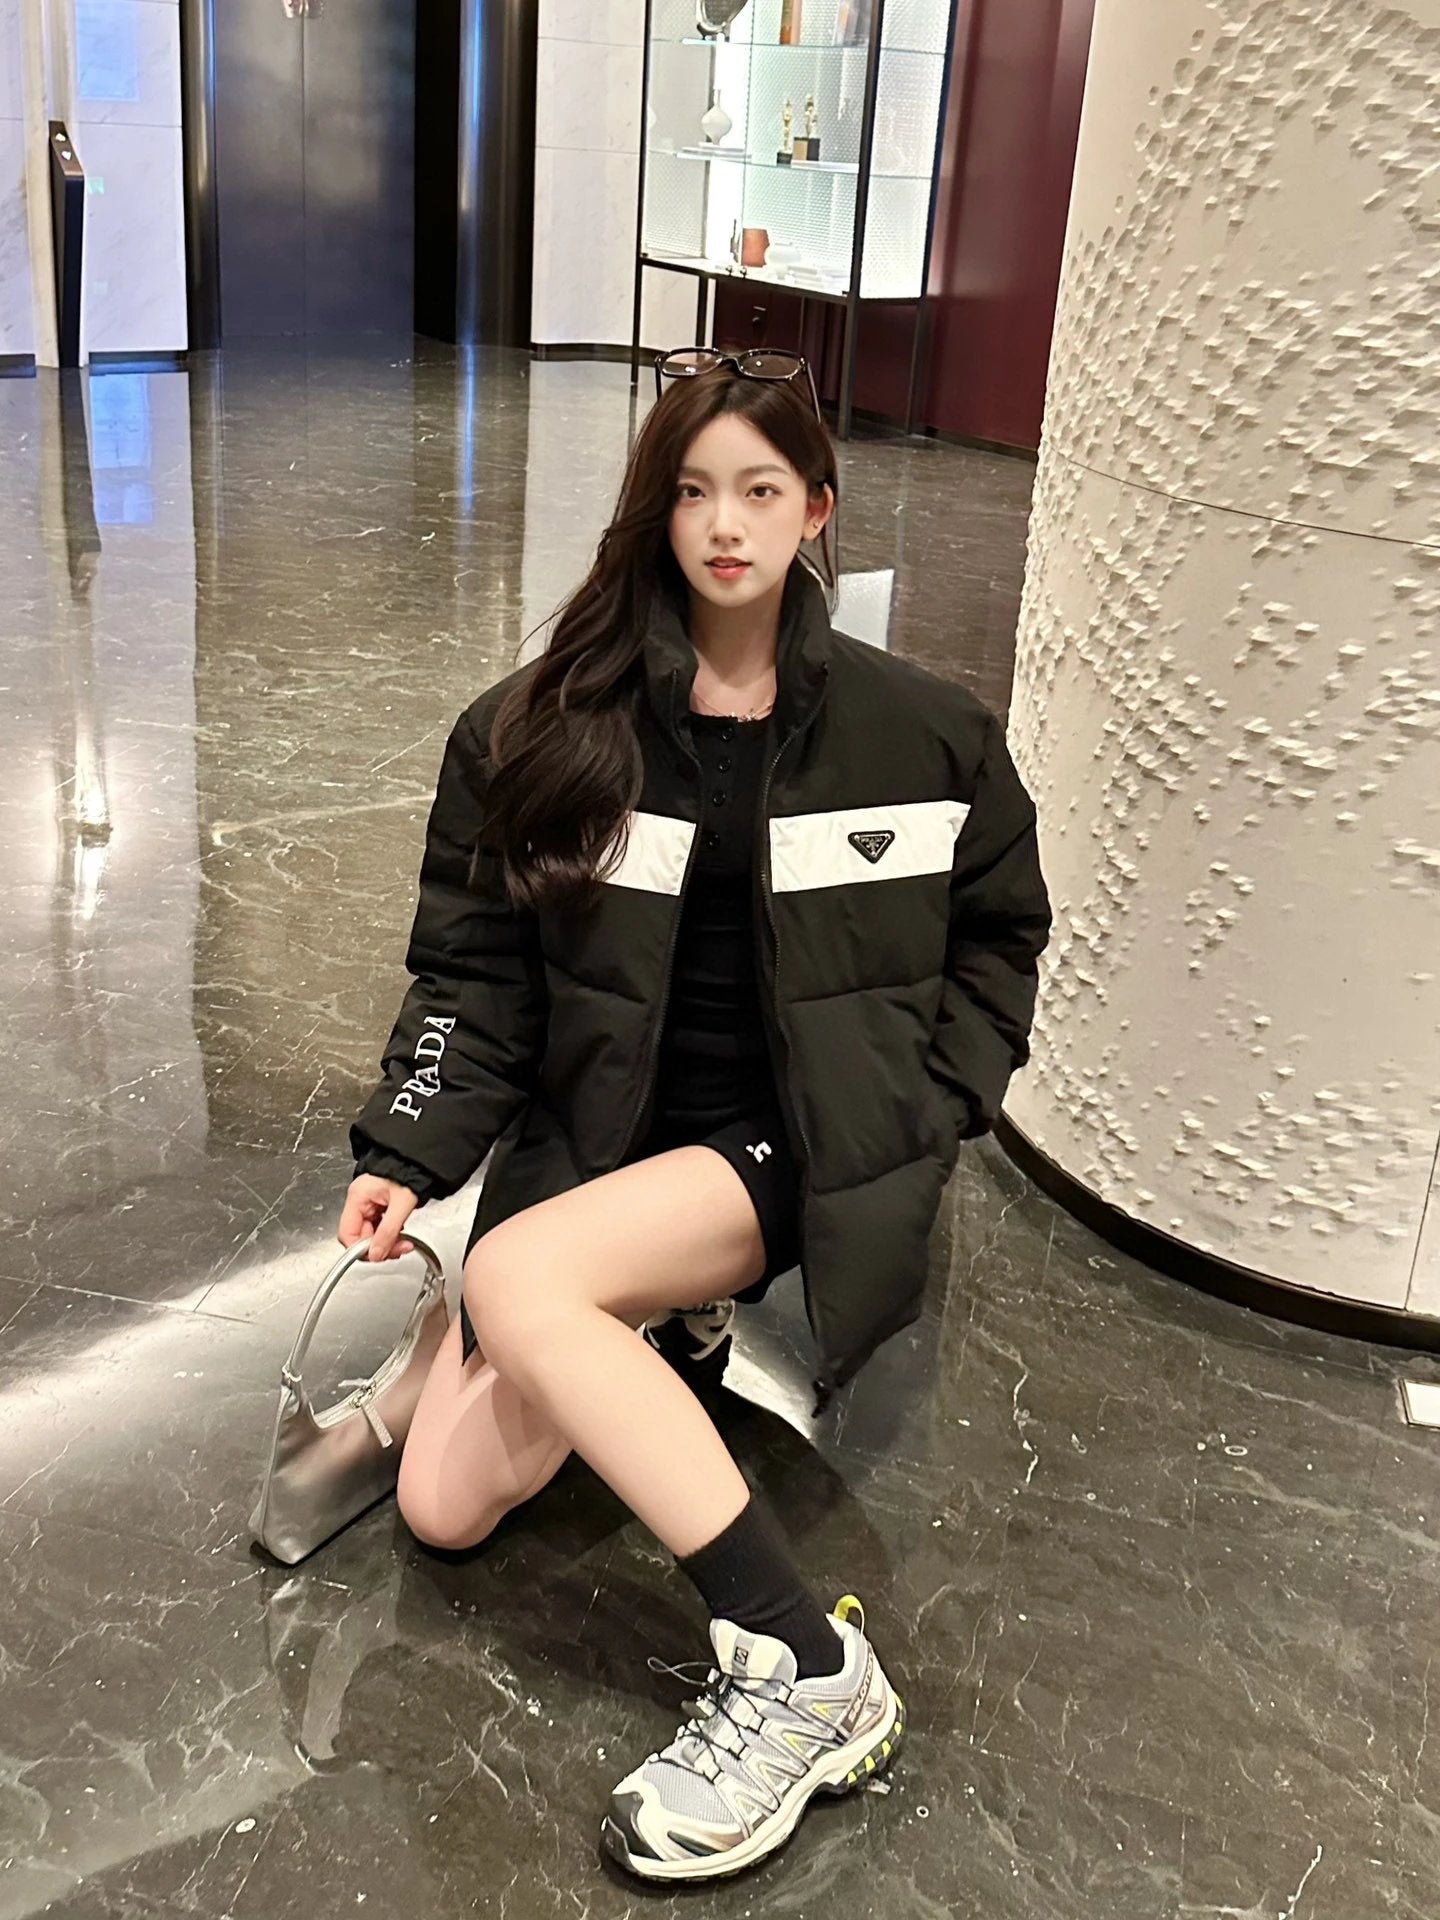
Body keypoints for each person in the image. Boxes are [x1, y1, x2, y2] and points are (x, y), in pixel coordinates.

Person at [338, 347, 1052, 1882]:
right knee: (445, 1505)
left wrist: (927, 1109)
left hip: (792, 1134)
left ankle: (804, 1669)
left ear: (817, 511)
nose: (727, 525)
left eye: (762, 490)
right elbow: (473, 970)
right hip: (603, 1137)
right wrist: (411, 1145)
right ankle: (650, 1316)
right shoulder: (539, 730)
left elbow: (1003, 938)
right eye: (693, 491)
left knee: (523, 1280)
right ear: (654, 512)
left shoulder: (921, 733)